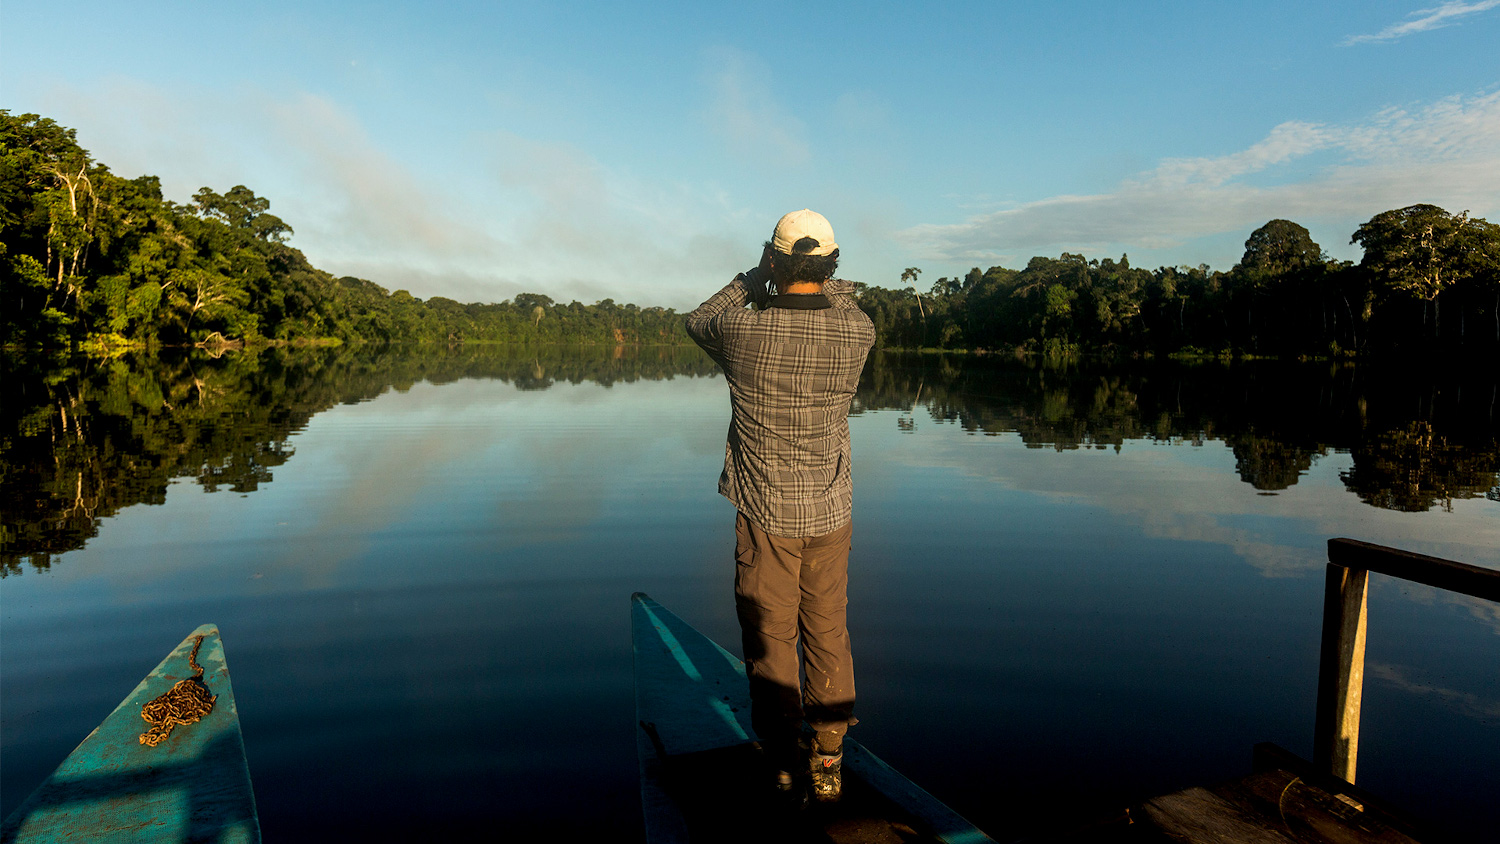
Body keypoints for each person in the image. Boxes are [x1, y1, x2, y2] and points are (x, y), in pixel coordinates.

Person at [685, 209, 876, 804]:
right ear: (830, 265)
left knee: (770, 635)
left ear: (774, 259)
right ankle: (828, 757)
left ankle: (782, 758)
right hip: (830, 510)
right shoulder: (858, 331)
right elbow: (844, 297)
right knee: (827, 628)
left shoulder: (743, 332)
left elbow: (699, 320)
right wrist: (814, 273)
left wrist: (753, 277)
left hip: (766, 512)